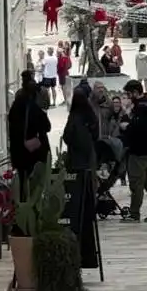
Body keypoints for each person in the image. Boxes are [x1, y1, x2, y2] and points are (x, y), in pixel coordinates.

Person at [62, 89, 100, 269]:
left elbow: (67, 137)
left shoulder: (75, 118)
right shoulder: (90, 117)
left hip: (77, 166)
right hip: (88, 162)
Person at [121, 79, 147, 223]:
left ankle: (135, 213)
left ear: (135, 93)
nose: (127, 97)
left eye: (129, 94)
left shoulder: (141, 108)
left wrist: (127, 126)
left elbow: (140, 129)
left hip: (139, 153)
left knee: (136, 183)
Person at [8, 71, 51, 193]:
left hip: (19, 151)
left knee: (23, 183)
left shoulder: (17, 104)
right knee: (36, 185)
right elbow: (47, 126)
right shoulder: (34, 107)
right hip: (35, 152)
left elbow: (11, 123)